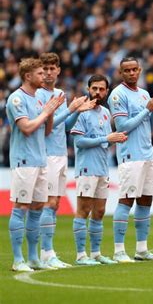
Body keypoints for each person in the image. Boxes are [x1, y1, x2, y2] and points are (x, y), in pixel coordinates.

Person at [37, 52, 95, 268]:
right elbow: (44, 125)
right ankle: (46, 253)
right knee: (48, 203)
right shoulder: (39, 95)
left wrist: (78, 112)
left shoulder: (60, 93)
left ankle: (47, 253)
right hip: (45, 154)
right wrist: (70, 108)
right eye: (45, 68)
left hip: (61, 153)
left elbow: (65, 126)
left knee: (56, 204)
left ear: (59, 70)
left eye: (53, 68)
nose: (49, 72)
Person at [7, 58, 62, 271]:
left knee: (38, 208)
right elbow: (27, 128)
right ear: (28, 76)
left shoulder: (39, 100)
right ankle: (18, 259)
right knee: (21, 207)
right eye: (40, 73)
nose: (45, 76)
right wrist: (47, 112)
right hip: (24, 161)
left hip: (40, 160)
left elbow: (46, 131)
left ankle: (33, 258)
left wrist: (51, 110)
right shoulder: (17, 99)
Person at [107, 57, 153, 263]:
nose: (131, 73)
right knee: (126, 199)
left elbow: (149, 127)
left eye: (134, 69)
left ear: (140, 70)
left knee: (146, 199)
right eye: (127, 70)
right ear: (121, 73)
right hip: (130, 155)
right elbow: (123, 127)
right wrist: (148, 109)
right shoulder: (117, 94)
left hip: (146, 154)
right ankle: (119, 250)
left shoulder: (144, 94)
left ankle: (142, 249)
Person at [71, 75, 128, 265]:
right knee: (84, 210)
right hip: (86, 168)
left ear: (107, 92)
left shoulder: (105, 113)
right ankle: (81, 255)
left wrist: (115, 138)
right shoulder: (82, 112)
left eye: (101, 89)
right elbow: (79, 142)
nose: (97, 92)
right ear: (88, 89)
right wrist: (106, 139)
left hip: (103, 168)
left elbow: (106, 140)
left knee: (100, 211)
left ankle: (95, 254)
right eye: (94, 88)